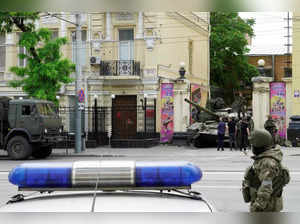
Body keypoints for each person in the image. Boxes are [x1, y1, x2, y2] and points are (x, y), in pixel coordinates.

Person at [242, 129, 290, 212]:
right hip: (267, 205)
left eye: (253, 145)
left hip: (266, 207)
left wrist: (257, 207)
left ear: (259, 145)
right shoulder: (265, 158)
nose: (251, 147)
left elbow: (266, 187)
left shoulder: (267, 163)